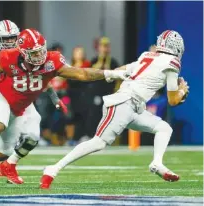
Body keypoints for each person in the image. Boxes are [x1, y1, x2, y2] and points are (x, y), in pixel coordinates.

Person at [0, 29, 127, 187]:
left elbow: (81, 74)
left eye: (41, 50)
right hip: (1, 95)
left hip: (23, 104)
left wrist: (110, 74)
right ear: (23, 52)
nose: (40, 55)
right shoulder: (9, 57)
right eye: (34, 53)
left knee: (6, 150)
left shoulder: (52, 60)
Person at [40, 30, 188, 189]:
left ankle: (157, 163)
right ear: (177, 47)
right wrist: (182, 90)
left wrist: (113, 75)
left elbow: (125, 68)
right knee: (99, 142)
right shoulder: (172, 62)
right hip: (124, 103)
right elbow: (173, 100)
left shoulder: (147, 56)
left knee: (164, 128)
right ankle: (53, 168)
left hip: (134, 107)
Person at [0, 20, 67, 180]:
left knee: (32, 136)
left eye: (13, 37)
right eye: (6, 39)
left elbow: (42, 78)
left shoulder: (27, 52)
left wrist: (54, 98)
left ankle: (8, 164)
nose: (10, 42)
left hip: (22, 99)